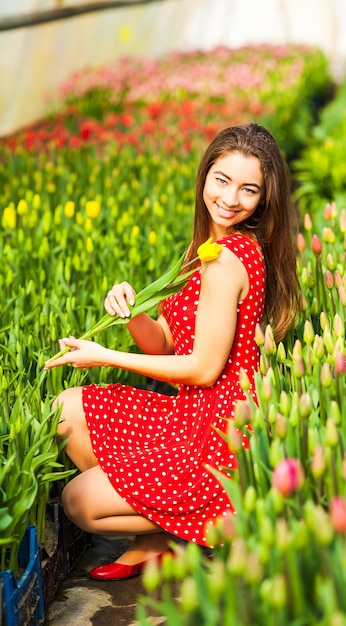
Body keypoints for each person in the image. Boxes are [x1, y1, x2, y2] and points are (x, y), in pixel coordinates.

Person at [45, 123, 301, 581]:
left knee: (78, 502)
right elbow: (165, 342)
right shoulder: (205, 248)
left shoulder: (227, 260)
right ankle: (159, 536)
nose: (230, 198)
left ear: (264, 199)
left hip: (217, 437)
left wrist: (105, 355)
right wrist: (132, 312)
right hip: (189, 416)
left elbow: (203, 370)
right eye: (221, 180)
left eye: (249, 189)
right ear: (205, 176)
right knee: (65, 409)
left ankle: (214, 522)